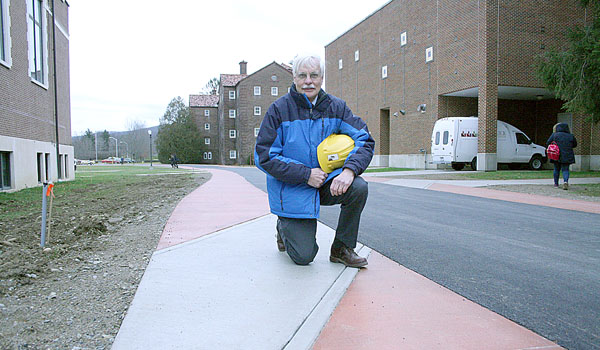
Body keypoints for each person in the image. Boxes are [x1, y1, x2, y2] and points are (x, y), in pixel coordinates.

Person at [254, 53, 375, 268]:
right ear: (294, 78)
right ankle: (283, 228)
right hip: (293, 186)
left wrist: (349, 171)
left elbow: (364, 139)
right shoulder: (278, 110)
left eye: (314, 75)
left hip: (325, 182)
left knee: (358, 187)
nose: (308, 81)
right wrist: (306, 174)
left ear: (321, 78)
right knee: (303, 257)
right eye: (303, 75)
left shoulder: (337, 107)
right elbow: (264, 157)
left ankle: (342, 248)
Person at [546, 122, 577, 190]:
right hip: (567, 154)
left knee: (556, 169)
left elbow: (548, 142)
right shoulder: (570, 136)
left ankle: (556, 184)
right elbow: (575, 144)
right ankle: (565, 181)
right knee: (565, 169)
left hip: (556, 154)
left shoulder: (554, 135)